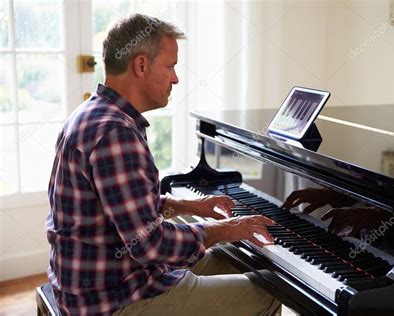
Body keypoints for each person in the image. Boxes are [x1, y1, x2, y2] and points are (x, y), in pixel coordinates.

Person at [46, 14, 280, 315]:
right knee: (267, 292)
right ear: (141, 65)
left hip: (104, 280)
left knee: (229, 259)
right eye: (170, 66)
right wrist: (224, 229)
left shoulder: (94, 113)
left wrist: (189, 207)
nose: (175, 78)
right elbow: (149, 245)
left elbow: (123, 209)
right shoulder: (115, 133)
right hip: (112, 300)